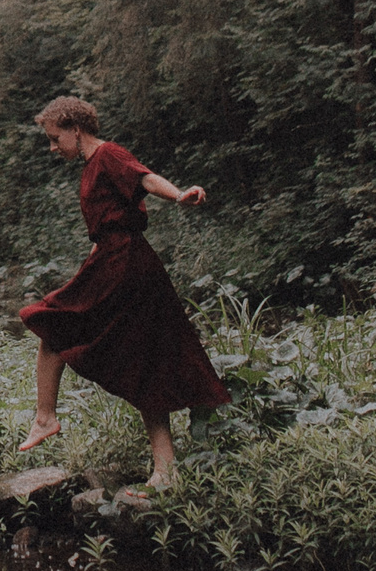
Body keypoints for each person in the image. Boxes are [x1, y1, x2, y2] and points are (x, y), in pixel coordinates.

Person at [14, 96, 228, 491]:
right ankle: (166, 473)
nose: (52, 147)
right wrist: (90, 265)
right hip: (120, 262)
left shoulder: (108, 154)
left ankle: (46, 418)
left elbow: (144, 178)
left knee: (50, 325)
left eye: (54, 138)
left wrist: (179, 195)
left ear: (75, 129)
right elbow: (108, 225)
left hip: (126, 265)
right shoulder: (90, 166)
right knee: (143, 359)